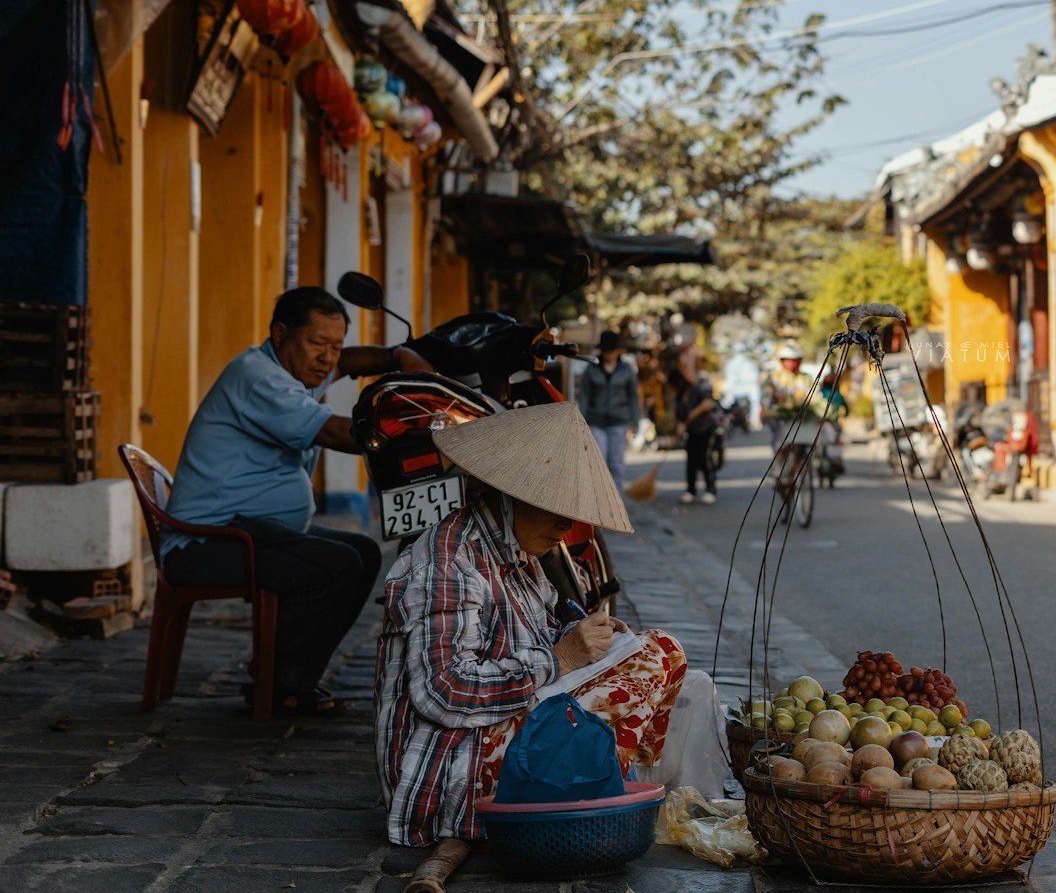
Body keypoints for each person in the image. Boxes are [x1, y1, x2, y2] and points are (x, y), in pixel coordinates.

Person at [376, 402, 688, 869]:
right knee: (655, 656)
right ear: (507, 496)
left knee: (660, 654)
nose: (566, 525)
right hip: (452, 767)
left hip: (493, 733)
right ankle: (586, 783)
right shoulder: (450, 565)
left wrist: (587, 639)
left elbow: (538, 633)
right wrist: (561, 657)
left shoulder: (515, 554)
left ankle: (593, 779)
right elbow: (444, 691)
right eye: (553, 507)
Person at [164, 286, 431, 717]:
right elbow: (334, 432)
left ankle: (285, 672)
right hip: (207, 544)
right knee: (337, 565)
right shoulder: (258, 376)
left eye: (335, 344)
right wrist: (421, 431)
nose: (327, 356)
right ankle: (280, 683)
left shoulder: (292, 370)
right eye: (317, 343)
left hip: (250, 532)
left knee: (362, 552)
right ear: (280, 333)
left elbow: (346, 364)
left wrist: (395, 357)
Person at [576, 330, 640, 488]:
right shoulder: (591, 369)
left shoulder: (626, 369)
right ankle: (600, 504)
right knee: (599, 462)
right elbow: (584, 396)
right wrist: (581, 421)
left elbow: (633, 396)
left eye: (611, 350)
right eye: (606, 351)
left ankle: (617, 504)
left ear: (617, 350)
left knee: (617, 463)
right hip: (596, 421)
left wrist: (636, 421)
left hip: (619, 420)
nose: (609, 354)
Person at [668, 369, 719, 505]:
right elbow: (680, 418)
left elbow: (708, 404)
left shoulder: (696, 390)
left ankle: (710, 489)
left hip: (705, 429)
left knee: (705, 458)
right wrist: (678, 429)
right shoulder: (679, 398)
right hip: (692, 432)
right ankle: (691, 491)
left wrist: (691, 415)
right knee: (691, 461)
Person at [765, 343, 809, 447]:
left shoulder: (805, 377)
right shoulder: (774, 377)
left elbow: (812, 394)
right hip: (779, 416)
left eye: (795, 359)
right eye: (788, 359)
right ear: (782, 361)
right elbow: (767, 396)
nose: (792, 363)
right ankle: (778, 459)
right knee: (779, 442)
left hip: (801, 415)